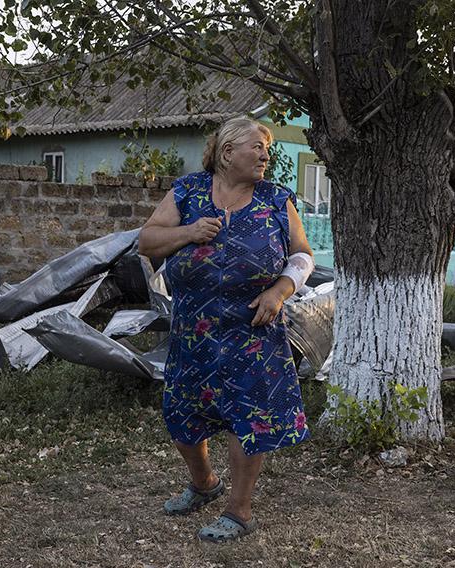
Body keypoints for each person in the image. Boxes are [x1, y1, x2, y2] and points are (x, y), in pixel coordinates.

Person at [138, 116, 315, 543]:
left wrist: (280, 290)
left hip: (253, 329)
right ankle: (204, 484)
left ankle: (239, 511)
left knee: (247, 419)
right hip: (194, 330)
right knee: (182, 416)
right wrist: (189, 231)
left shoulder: (275, 199)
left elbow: (303, 255)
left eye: (266, 149)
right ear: (227, 151)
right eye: (257, 146)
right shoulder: (188, 192)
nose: (265, 155)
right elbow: (147, 241)